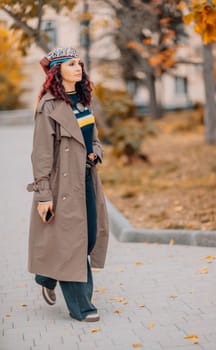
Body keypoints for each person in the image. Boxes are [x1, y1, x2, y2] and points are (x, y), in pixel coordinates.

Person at [27, 47, 109, 322]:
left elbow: (95, 138)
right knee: (73, 243)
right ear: (57, 70)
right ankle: (82, 307)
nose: (79, 68)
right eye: (72, 63)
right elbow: (40, 154)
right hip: (60, 186)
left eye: (80, 64)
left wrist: (95, 152)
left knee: (89, 238)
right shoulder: (48, 106)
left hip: (86, 177)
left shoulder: (84, 101)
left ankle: (47, 274)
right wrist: (43, 196)